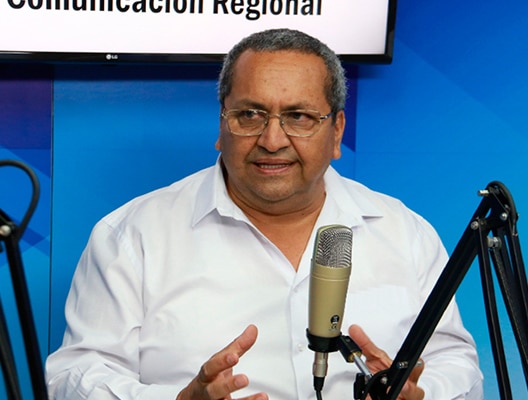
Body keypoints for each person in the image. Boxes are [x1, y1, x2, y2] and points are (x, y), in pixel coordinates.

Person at [45, 28, 483, 400]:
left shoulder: (404, 232)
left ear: (336, 132)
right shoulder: (131, 236)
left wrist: (420, 394)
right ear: (222, 124)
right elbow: (73, 377)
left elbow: (456, 363)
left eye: (299, 116)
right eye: (250, 114)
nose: (272, 140)